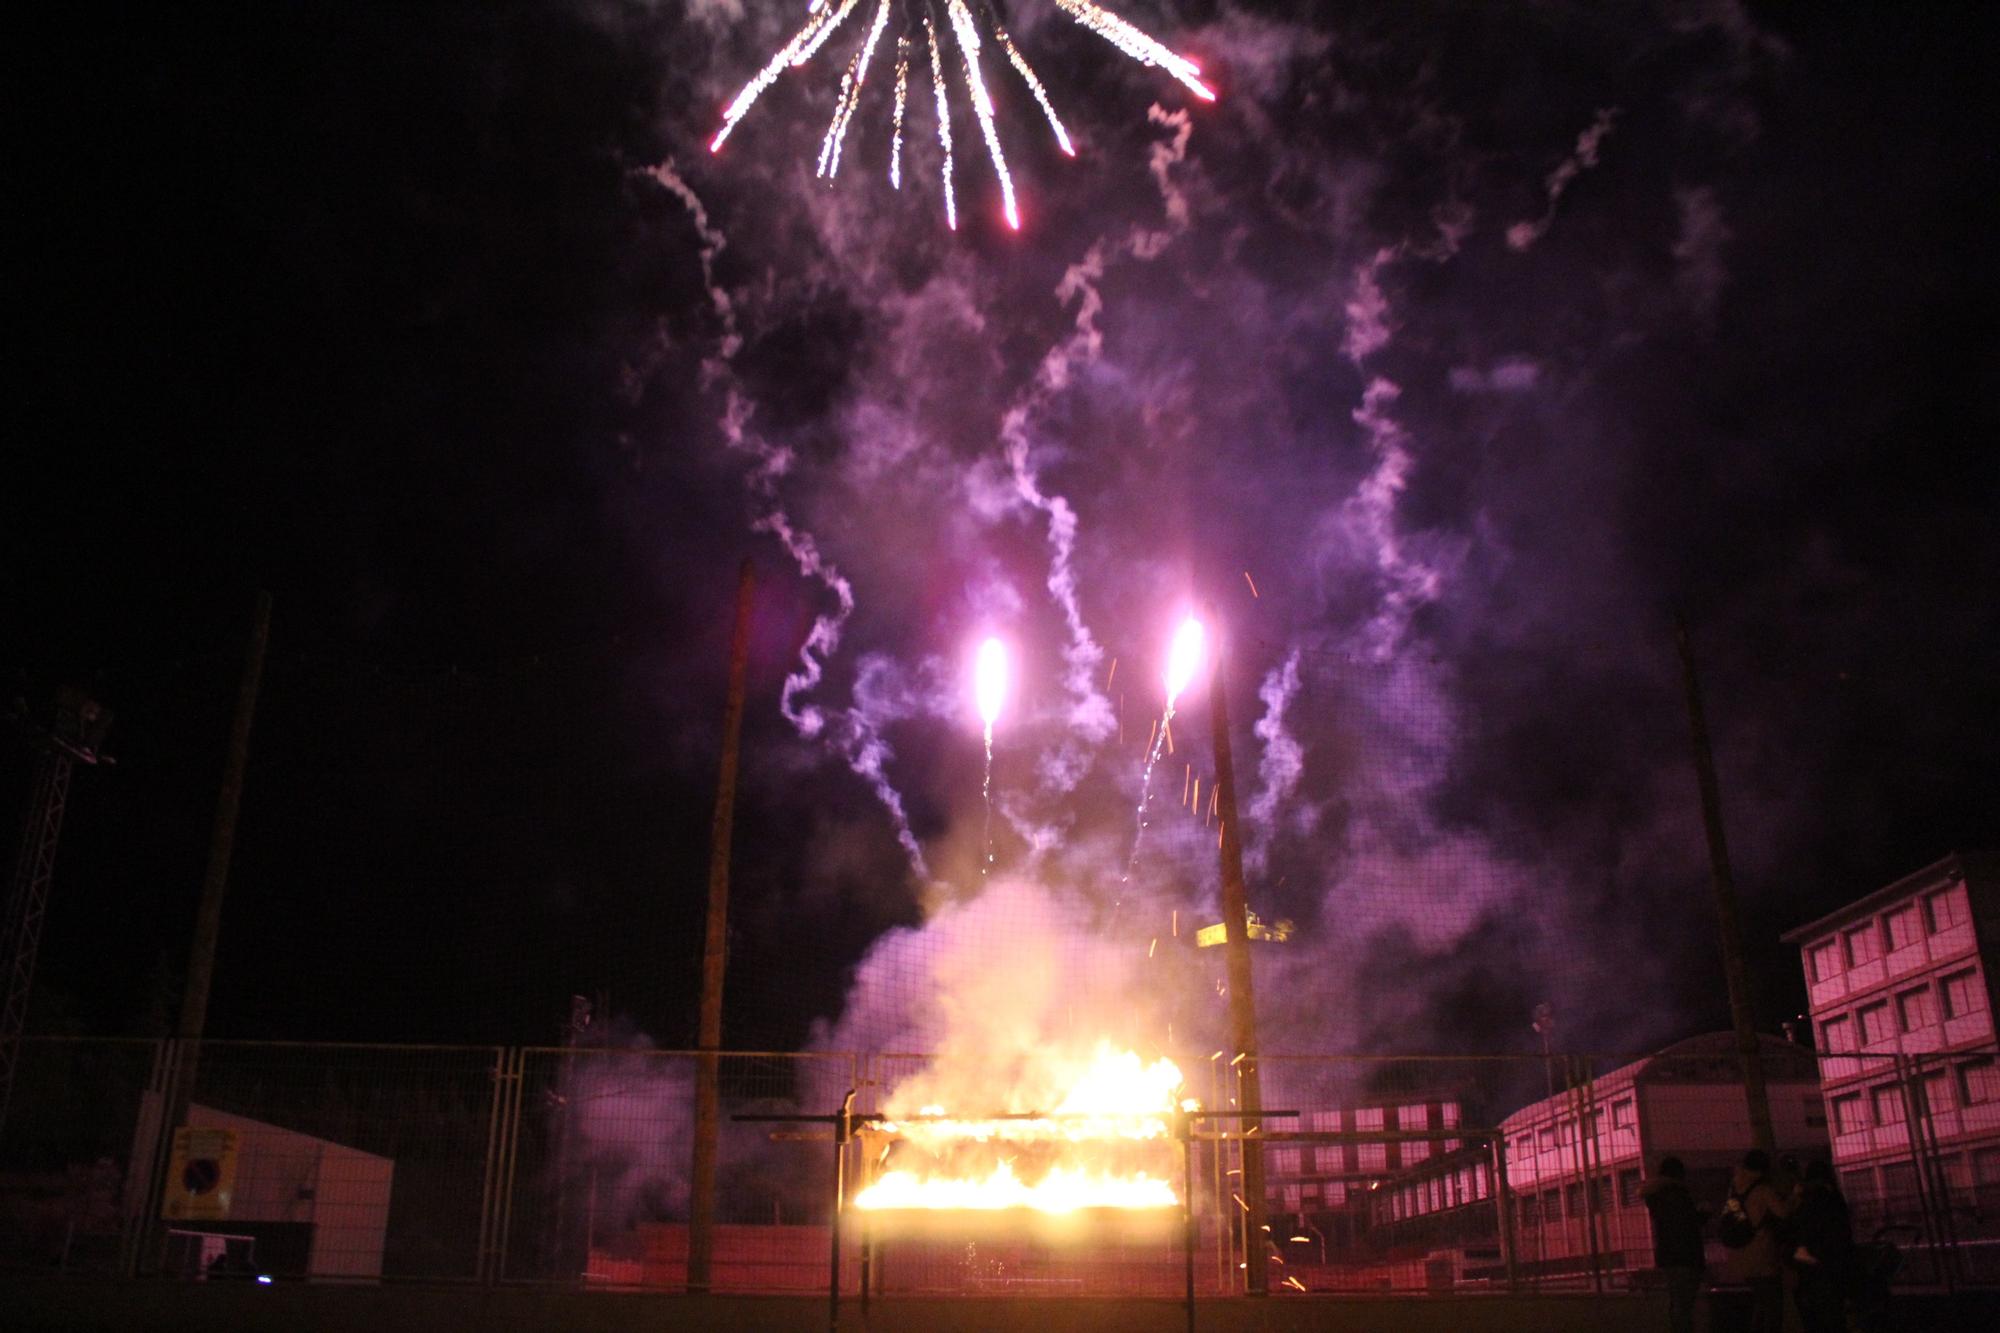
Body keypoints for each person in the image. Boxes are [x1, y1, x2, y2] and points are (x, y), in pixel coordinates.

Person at [1721, 1148, 1794, 1333]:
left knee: (1761, 1305)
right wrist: (1795, 1196)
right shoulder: (1763, 1190)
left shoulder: (1734, 1188)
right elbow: (1783, 1212)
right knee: (1773, 1308)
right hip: (1762, 1255)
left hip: (1741, 1255)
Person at [1789, 1159, 1856, 1333]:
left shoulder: (1807, 1201)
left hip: (1812, 1263)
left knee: (1816, 1312)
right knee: (1833, 1311)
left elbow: (1795, 1226)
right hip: (1833, 1260)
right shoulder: (1833, 1197)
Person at [1641, 1156, 1707, 1333]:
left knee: (1677, 1303)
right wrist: (1701, 1216)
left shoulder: (1657, 1196)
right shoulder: (1677, 1195)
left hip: (1669, 1255)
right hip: (1686, 1254)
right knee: (1684, 1305)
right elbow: (1686, 1224)